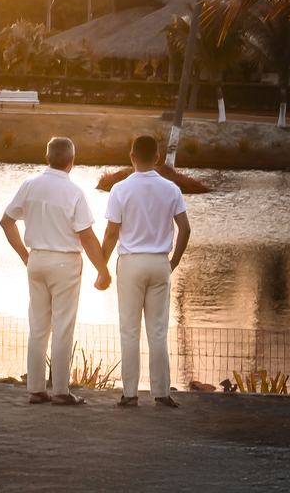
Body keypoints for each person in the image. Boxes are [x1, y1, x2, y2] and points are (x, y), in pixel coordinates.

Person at [0, 136, 112, 406]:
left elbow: (6, 222)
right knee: (62, 326)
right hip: (65, 263)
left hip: (36, 260)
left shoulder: (29, 185)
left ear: (47, 157)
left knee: (38, 327)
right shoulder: (74, 192)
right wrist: (103, 270)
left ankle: (36, 390)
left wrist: (26, 256)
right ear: (72, 161)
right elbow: (87, 237)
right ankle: (61, 391)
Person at [101, 134, 191, 409]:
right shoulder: (171, 189)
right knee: (158, 332)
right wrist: (172, 262)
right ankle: (162, 393)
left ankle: (130, 394)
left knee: (130, 331)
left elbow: (111, 232)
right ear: (157, 158)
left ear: (131, 157)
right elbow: (185, 229)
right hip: (159, 263)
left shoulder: (119, 189)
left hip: (130, 264)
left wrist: (101, 267)